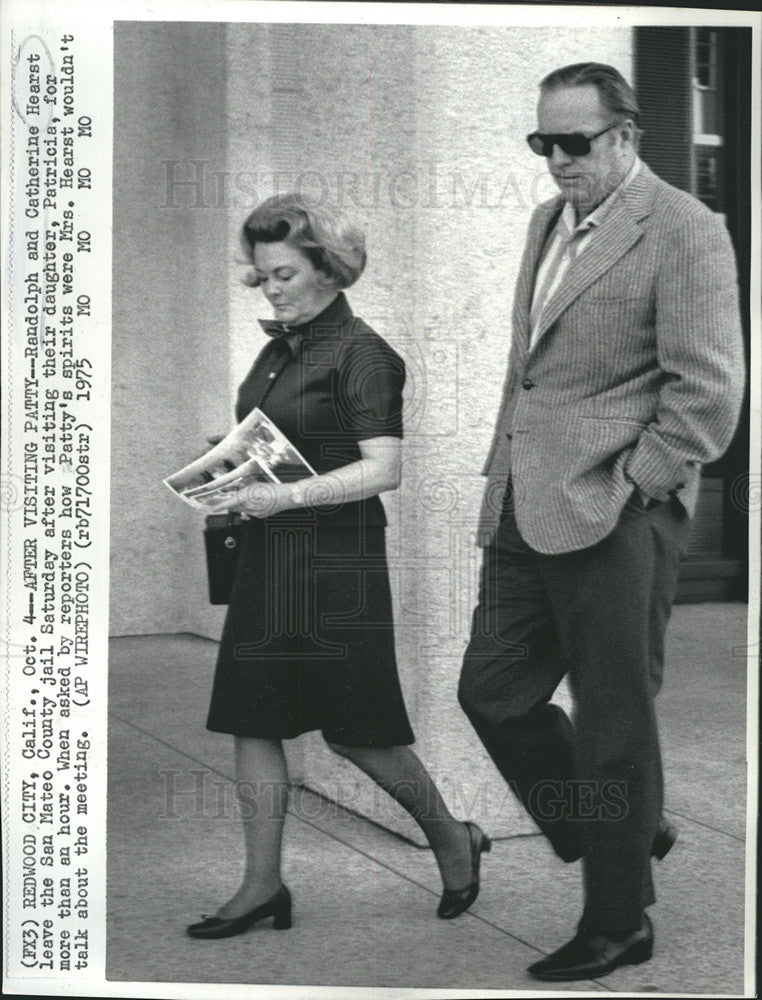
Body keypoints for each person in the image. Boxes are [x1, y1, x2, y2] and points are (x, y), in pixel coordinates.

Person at [457, 63, 745, 981]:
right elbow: (528, 374)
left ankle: (620, 921)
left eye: (574, 143)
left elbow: (709, 393)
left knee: (615, 724)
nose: (556, 161)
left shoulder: (687, 230)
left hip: (617, 514)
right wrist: (499, 484)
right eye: (543, 143)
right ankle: (629, 823)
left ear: (626, 136)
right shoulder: (550, 222)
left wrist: (635, 484)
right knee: (492, 693)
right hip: (523, 505)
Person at [187, 193, 490, 939]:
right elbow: (280, 438)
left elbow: (383, 469)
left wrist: (283, 498)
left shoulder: (364, 354)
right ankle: (262, 888)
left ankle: (451, 835)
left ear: (329, 268)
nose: (270, 288)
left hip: (336, 565)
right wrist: (228, 465)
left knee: (358, 731)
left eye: (284, 273)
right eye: (260, 276)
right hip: (269, 557)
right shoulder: (276, 348)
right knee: (252, 722)